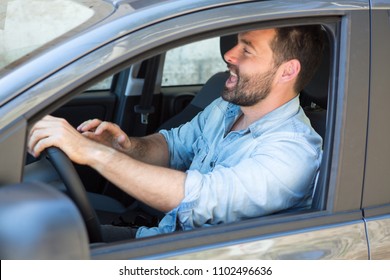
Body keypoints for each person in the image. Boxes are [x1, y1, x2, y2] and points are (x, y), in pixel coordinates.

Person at [28, 26, 325, 240]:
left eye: (246, 49)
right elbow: (171, 146)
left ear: (287, 71)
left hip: (199, 259)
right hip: (162, 235)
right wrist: (123, 145)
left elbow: (198, 198)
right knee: (44, 231)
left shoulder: (293, 152)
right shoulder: (227, 108)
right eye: (235, 44)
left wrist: (94, 153)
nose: (229, 55)